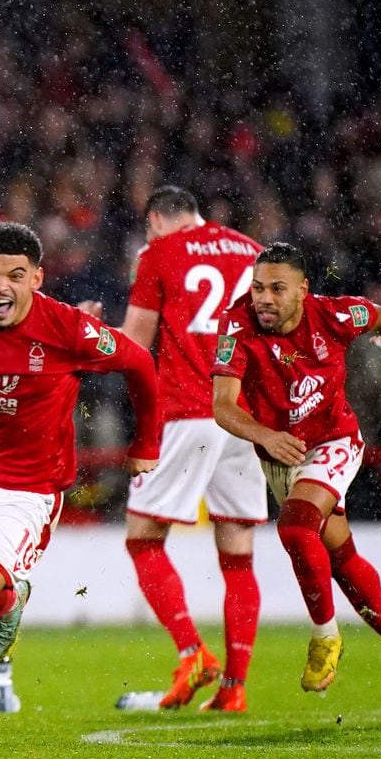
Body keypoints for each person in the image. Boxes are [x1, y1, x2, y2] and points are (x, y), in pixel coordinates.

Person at [0, 221, 161, 759]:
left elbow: (140, 362)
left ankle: (6, 599)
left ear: (36, 280)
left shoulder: (66, 327)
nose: (1, 285)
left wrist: (148, 443)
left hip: (26, 490)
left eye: (16, 276)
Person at [212, 241, 381, 712]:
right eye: (257, 288)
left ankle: (324, 636)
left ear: (303, 291)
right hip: (280, 450)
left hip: (333, 441)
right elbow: (222, 406)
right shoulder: (235, 324)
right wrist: (267, 436)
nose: (263, 298)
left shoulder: (334, 315)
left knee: (294, 526)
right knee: (340, 557)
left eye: (276, 288)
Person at [119, 186, 266, 713]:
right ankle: (235, 688)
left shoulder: (159, 253)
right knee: (238, 557)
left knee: (143, 539)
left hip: (189, 409)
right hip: (246, 414)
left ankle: (192, 651)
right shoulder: (251, 250)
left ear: (156, 219)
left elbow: (134, 341)